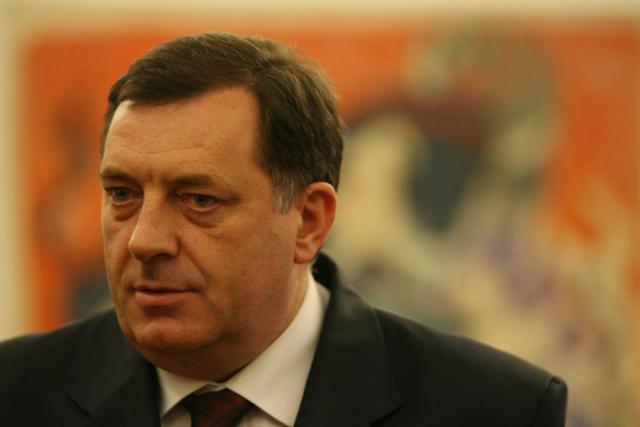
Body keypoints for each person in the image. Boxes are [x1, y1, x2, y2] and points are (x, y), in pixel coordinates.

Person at [0, 32, 567, 427]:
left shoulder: (495, 410)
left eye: (198, 200)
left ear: (309, 221)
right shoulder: (16, 394)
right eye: (122, 194)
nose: (144, 240)